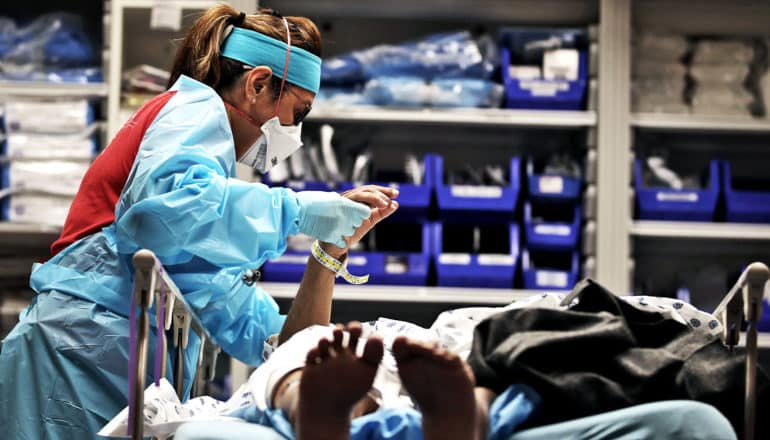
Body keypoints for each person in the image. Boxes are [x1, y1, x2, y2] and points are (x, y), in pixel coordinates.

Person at [0, 5, 399, 439]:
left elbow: (275, 342)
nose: (295, 132)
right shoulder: (194, 108)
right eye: (297, 113)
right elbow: (164, 211)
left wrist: (329, 253)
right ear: (258, 83)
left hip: (103, 361)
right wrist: (297, 211)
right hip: (72, 360)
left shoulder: (207, 207)